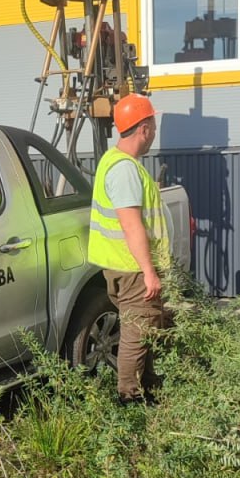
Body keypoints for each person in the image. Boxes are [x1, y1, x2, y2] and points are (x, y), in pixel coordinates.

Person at [87, 93, 172, 404]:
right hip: (133, 269)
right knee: (136, 335)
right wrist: (149, 272)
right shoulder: (125, 170)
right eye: (153, 127)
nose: (154, 133)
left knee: (144, 329)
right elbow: (131, 225)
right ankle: (130, 400)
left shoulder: (116, 161)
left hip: (123, 265)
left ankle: (149, 390)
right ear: (144, 129)